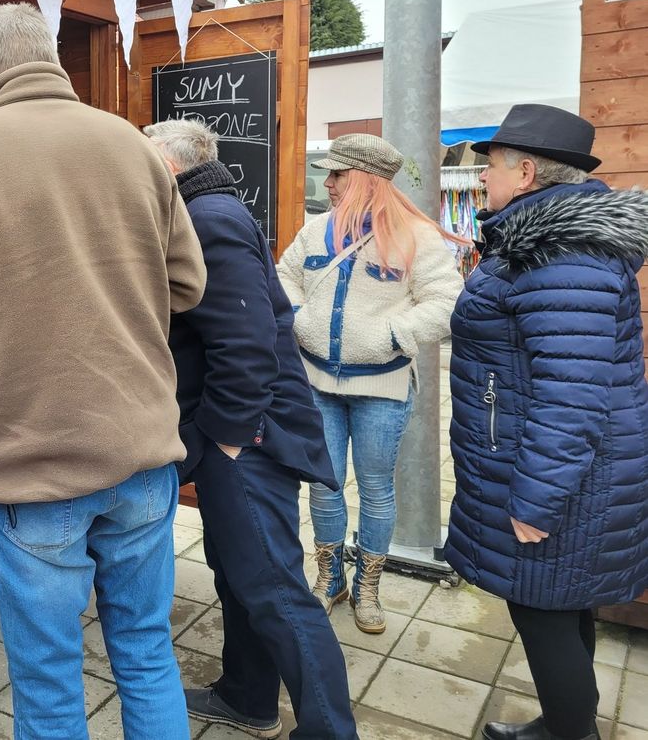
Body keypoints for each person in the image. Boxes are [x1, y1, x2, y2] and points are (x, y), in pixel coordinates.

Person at [0, 3, 206, 740]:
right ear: (50, 58)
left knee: (50, 683)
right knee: (148, 656)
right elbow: (189, 287)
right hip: (144, 456)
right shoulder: (131, 145)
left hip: (35, 465)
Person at [146, 119, 357, 740]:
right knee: (240, 573)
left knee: (274, 588)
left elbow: (247, 341)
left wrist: (230, 437)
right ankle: (247, 696)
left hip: (247, 437)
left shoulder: (208, 218)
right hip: (235, 434)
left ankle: (328, 731)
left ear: (168, 165)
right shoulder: (205, 210)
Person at [445, 104, 648, 740]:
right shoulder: (542, 244)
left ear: (527, 172)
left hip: (561, 481)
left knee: (542, 608)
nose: (483, 180)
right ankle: (566, 724)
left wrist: (535, 501)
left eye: (492, 168)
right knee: (561, 601)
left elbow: (571, 395)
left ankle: (571, 733)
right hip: (559, 469)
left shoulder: (559, 253)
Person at [277, 133, 464, 634]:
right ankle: (330, 578)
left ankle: (368, 587)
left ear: (361, 180)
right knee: (323, 485)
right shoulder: (315, 232)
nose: (329, 183)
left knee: (377, 490)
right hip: (318, 382)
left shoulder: (416, 238)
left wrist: (392, 335)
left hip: (382, 387)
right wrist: (299, 318)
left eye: (337, 174)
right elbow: (285, 278)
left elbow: (446, 301)